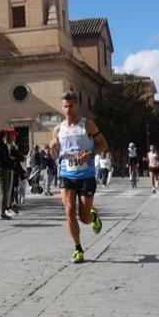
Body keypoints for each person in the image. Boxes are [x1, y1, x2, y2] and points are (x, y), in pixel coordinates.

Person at [47, 90, 106, 263]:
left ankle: (93, 217)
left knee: (84, 218)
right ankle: (78, 249)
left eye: (71, 106)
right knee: (69, 211)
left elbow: (103, 144)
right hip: (66, 174)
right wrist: (52, 147)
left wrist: (91, 152)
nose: (68, 110)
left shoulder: (88, 125)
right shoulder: (58, 129)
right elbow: (54, 154)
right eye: (65, 106)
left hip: (86, 175)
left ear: (77, 105)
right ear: (61, 107)